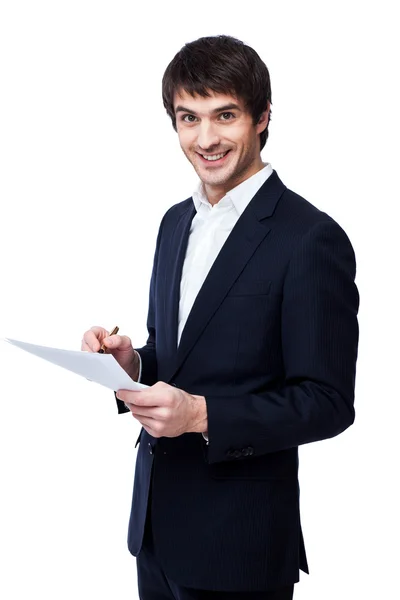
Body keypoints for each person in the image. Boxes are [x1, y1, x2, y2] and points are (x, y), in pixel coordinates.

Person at [81, 35, 359, 600]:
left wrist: (203, 416)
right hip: (156, 533)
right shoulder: (172, 224)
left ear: (262, 118)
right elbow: (184, 354)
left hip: (241, 548)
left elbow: (328, 403)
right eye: (189, 118)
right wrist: (133, 363)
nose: (205, 139)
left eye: (224, 115)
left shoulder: (310, 239)